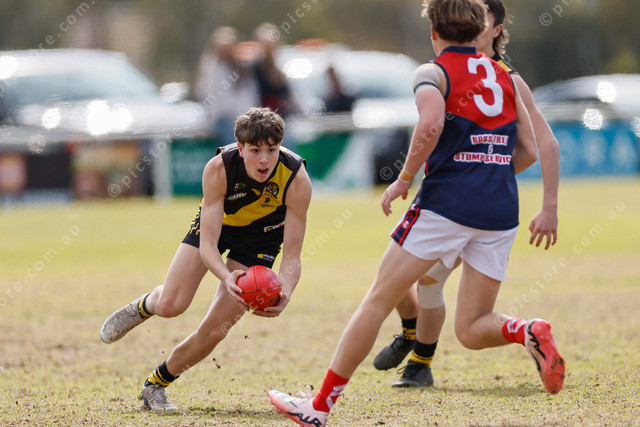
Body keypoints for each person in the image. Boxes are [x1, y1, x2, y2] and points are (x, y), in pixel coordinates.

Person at [268, 0, 564, 425]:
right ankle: (527, 328)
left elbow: (431, 124)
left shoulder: (433, 72)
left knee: (379, 298)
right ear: (479, 29)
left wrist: (404, 179)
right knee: (471, 327)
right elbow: (531, 149)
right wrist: (488, 177)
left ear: (434, 32)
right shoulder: (506, 77)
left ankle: (319, 408)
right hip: (500, 211)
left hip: (446, 205)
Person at [373, 0, 561, 388]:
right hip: (481, 206)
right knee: (422, 285)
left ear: (496, 29)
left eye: (480, 18)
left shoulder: (507, 79)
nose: (469, 24)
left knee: (412, 282)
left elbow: (544, 145)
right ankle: (415, 346)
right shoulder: (454, 72)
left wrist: (548, 205)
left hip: (459, 204)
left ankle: (417, 357)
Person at [99, 107, 312, 411]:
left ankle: (155, 385)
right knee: (171, 304)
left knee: (215, 331)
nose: (264, 159)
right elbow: (209, 245)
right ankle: (144, 305)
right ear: (240, 148)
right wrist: (226, 277)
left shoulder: (296, 179)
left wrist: (286, 292)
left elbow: (292, 257)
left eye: (272, 150)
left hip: (260, 241)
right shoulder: (219, 168)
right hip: (219, 229)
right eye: (255, 150)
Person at [195, 27, 260, 144]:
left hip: (244, 117)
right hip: (222, 117)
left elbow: (249, 95)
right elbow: (209, 94)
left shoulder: (241, 68)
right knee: (235, 142)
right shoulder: (211, 67)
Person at [252, 23, 296, 118]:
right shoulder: (253, 69)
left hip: (282, 117)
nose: (269, 50)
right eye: (266, 46)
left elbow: (289, 96)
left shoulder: (282, 67)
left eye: (271, 46)